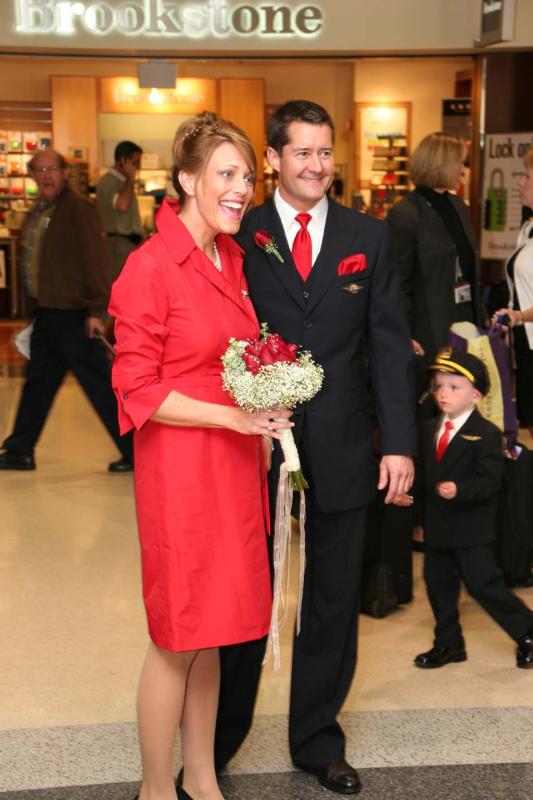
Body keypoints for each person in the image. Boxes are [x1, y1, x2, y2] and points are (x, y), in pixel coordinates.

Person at [215, 100, 416, 796]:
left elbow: (389, 346)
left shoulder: (370, 234)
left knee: (332, 596)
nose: (316, 166)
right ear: (271, 160)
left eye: (325, 152)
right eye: (300, 153)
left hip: (341, 443)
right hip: (250, 442)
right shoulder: (240, 231)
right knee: (243, 597)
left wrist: (398, 443)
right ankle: (220, 738)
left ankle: (317, 741)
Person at [108, 112, 292, 800]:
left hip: (232, 467)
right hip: (181, 474)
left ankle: (202, 777)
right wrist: (231, 414)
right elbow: (137, 387)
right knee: (177, 638)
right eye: (226, 174)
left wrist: (267, 393)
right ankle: (156, 788)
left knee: (213, 633)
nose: (242, 187)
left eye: (247, 174)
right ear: (186, 180)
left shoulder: (231, 256)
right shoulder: (149, 267)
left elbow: (228, 358)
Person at [0, 148, 132, 473]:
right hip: (49, 312)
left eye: (52, 169)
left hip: (75, 314)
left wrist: (95, 310)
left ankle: (137, 450)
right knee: (39, 382)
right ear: (32, 176)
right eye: (40, 170)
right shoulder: (40, 211)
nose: (46, 176)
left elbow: (95, 260)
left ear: (64, 174)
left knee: (99, 384)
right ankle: (20, 450)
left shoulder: (78, 209)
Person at [401, 348, 533, 670]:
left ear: (476, 394)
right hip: (438, 529)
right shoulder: (430, 427)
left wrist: (461, 489)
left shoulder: (486, 434)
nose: (442, 393)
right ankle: (449, 643)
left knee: (484, 585)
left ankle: (527, 631)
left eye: (453, 387)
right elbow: (423, 473)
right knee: (438, 586)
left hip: (471, 529)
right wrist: (410, 499)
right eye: (438, 386)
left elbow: (491, 481)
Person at [387, 132, 485, 400]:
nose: (462, 171)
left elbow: (468, 267)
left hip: (464, 321)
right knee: (434, 404)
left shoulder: (458, 206)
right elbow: (398, 281)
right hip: (429, 328)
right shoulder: (405, 214)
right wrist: (405, 332)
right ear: (440, 163)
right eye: (459, 163)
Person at [493, 148, 533, 436]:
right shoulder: (528, 228)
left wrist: (519, 315)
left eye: (527, 177)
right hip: (525, 343)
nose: (520, 183)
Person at [96, 140, 144, 281]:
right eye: (135, 163)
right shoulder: (108, 182)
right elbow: (122, 205)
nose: (138, 167)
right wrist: (131, 180)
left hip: (127, 245)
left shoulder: (121, 182)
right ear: (123, 161)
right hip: (119, 246)